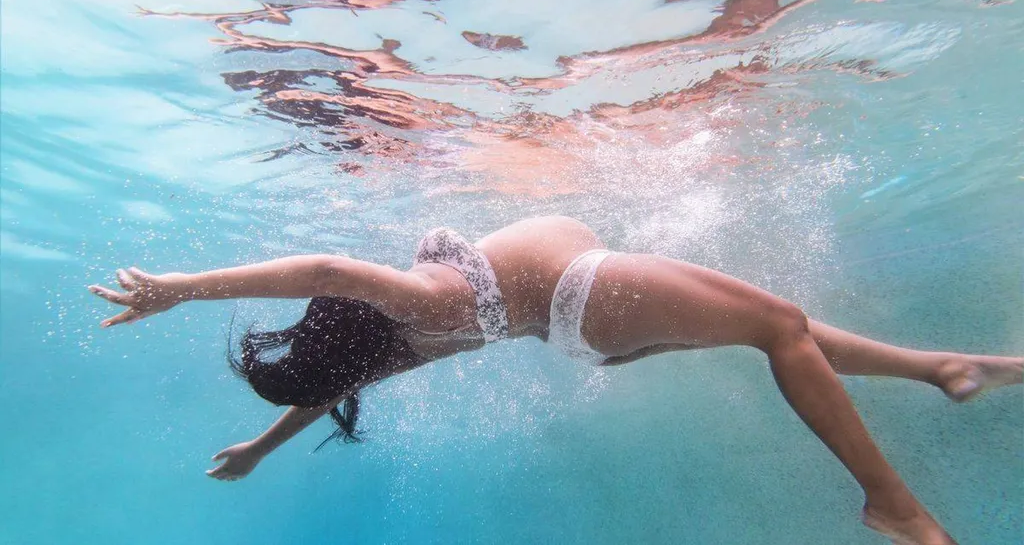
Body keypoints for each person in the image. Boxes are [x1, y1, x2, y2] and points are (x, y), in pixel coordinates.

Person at [90, 215, 1021, 545]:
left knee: (783, 333)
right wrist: (182, 289)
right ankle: (889, 503)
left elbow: (323, 389)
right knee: (777, 324)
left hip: (588, 325)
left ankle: (941, 368)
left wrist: (260, 446)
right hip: (587, 296)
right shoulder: (410, 300)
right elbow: (326, 266)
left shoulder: (401, 346)